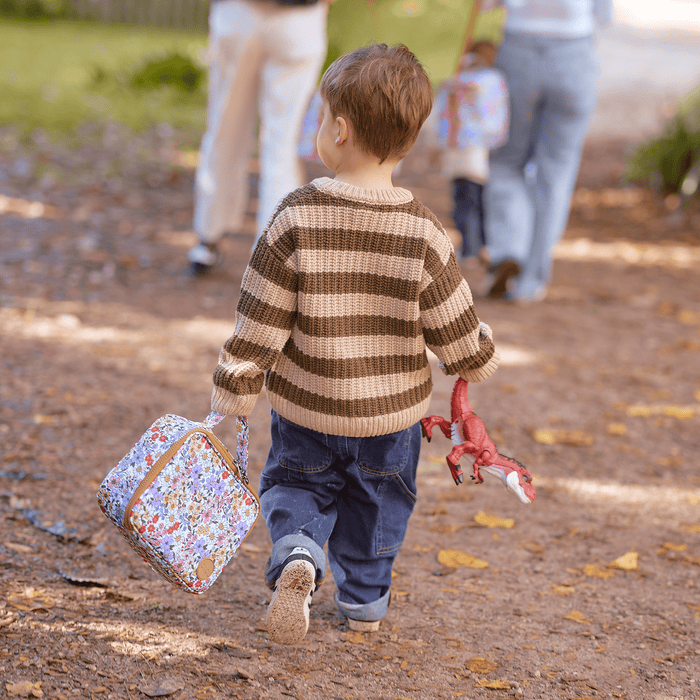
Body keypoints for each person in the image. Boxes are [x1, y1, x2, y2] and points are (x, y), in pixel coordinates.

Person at [210, 43, 501, 644]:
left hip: (307, 410)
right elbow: (453, 326)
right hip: (389, 421)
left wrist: (235, 388)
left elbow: (258, 320)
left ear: (339, 130)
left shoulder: (294, 218)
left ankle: (297, 553)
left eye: (321, 118)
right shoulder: (423, 232)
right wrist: (478, 355)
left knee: (295, 485)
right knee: (377, 506)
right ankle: (365, 599)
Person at [188, 0, 332, 276]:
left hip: (238, 14)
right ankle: (273, 256)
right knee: (283, 144)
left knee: (225, 126)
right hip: (300, 19)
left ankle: (208, 236)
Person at [482, 0, 613, 301]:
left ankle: (509, 248)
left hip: (518, 50)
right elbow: (604, 17)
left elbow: (485, 5)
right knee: (556, 170)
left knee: (505, 161)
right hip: (575, 53)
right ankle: (532, 279)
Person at [430, 40, 508, 265]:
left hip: (466, 147)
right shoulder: (491, 80)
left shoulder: (463, 80)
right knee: (477, 197)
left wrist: (440, 143)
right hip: (478, 147)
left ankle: (474, 245)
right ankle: (479, 244)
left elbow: (445, 114)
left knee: (466, 197)